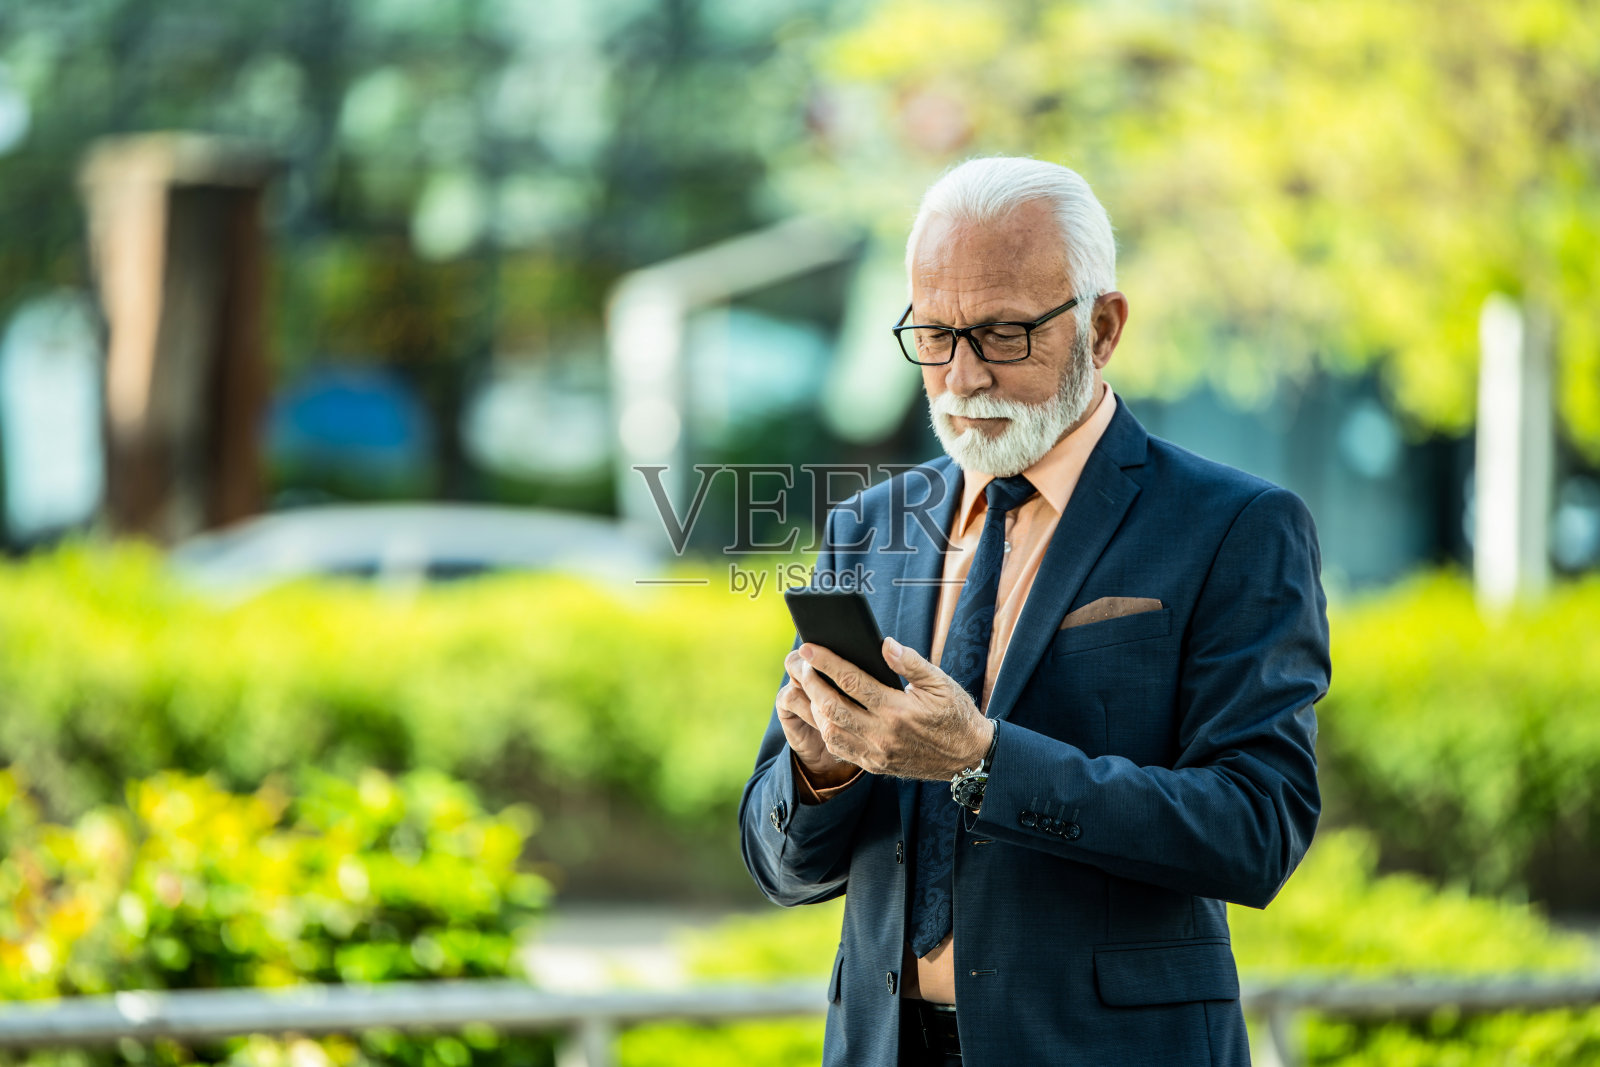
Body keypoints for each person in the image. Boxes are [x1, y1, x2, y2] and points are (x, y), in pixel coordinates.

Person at [738, 156, 1329, 1066]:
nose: (962, 375)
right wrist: (821, 769)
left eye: (1003, 333)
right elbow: (783, 865)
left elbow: (1258, 826)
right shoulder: (870, 526)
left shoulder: (1235, 526)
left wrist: (985, 760)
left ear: (1103, 324)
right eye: (933, 335)